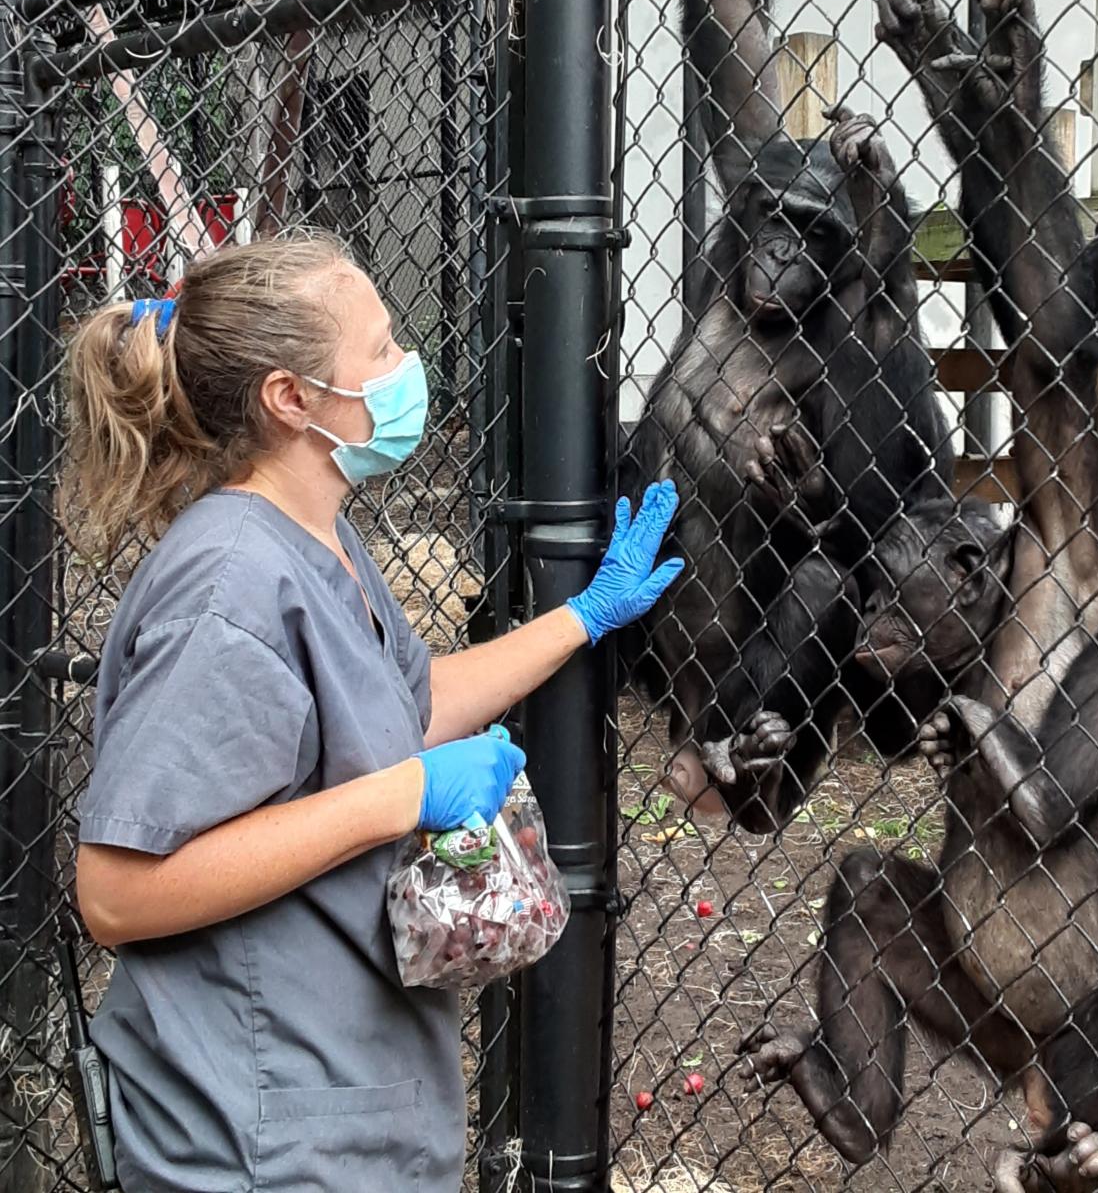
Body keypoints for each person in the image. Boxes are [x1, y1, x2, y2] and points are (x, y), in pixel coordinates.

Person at [66, 232, 682, 1193]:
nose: (407, 370)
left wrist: (582, 618)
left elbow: (404, 702)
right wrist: (405, 795)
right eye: (384, 350)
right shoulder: (230, 585)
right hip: (249, 1137)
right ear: (292, 399)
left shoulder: (319, 537)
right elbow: (117, 892)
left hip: (333, 1108)